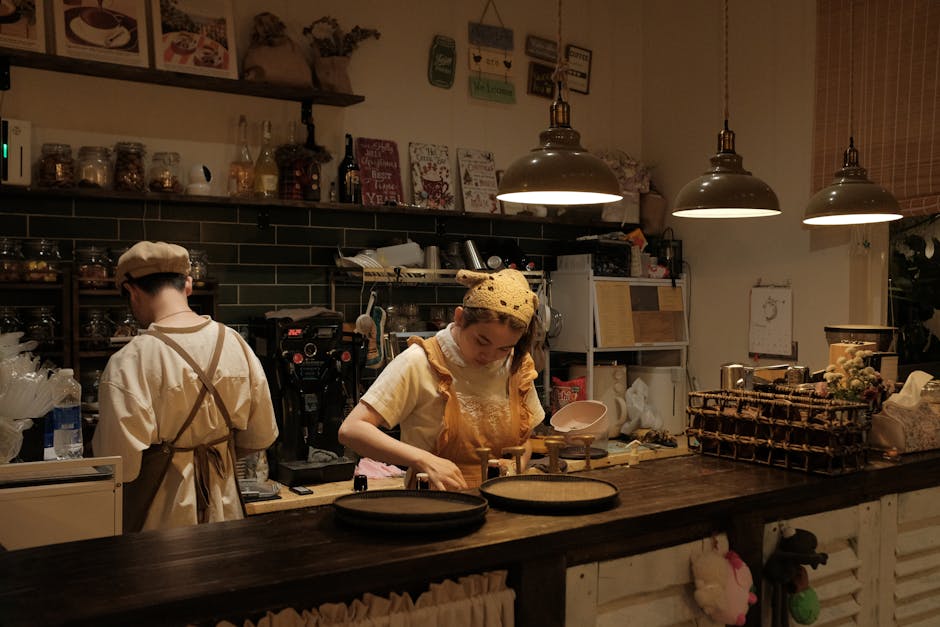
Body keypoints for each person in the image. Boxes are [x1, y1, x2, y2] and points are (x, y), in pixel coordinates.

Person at [92, 241, 278, 531]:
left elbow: (119, 466)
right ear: (188, 284)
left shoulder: (129, 362)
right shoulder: (235, 344)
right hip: (228, 514)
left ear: (130, 290)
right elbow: (260, 436)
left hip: (162, 523)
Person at [338, 268, 544, 490]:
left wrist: (516, 464)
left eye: (504, 348)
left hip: (502, 499)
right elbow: (351, 430)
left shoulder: (517, 365)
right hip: (434, 505)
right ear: (459, 318)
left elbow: (525, 439)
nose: (490, 356)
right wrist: (423, 460)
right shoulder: (419, 362)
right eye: (481, 341)